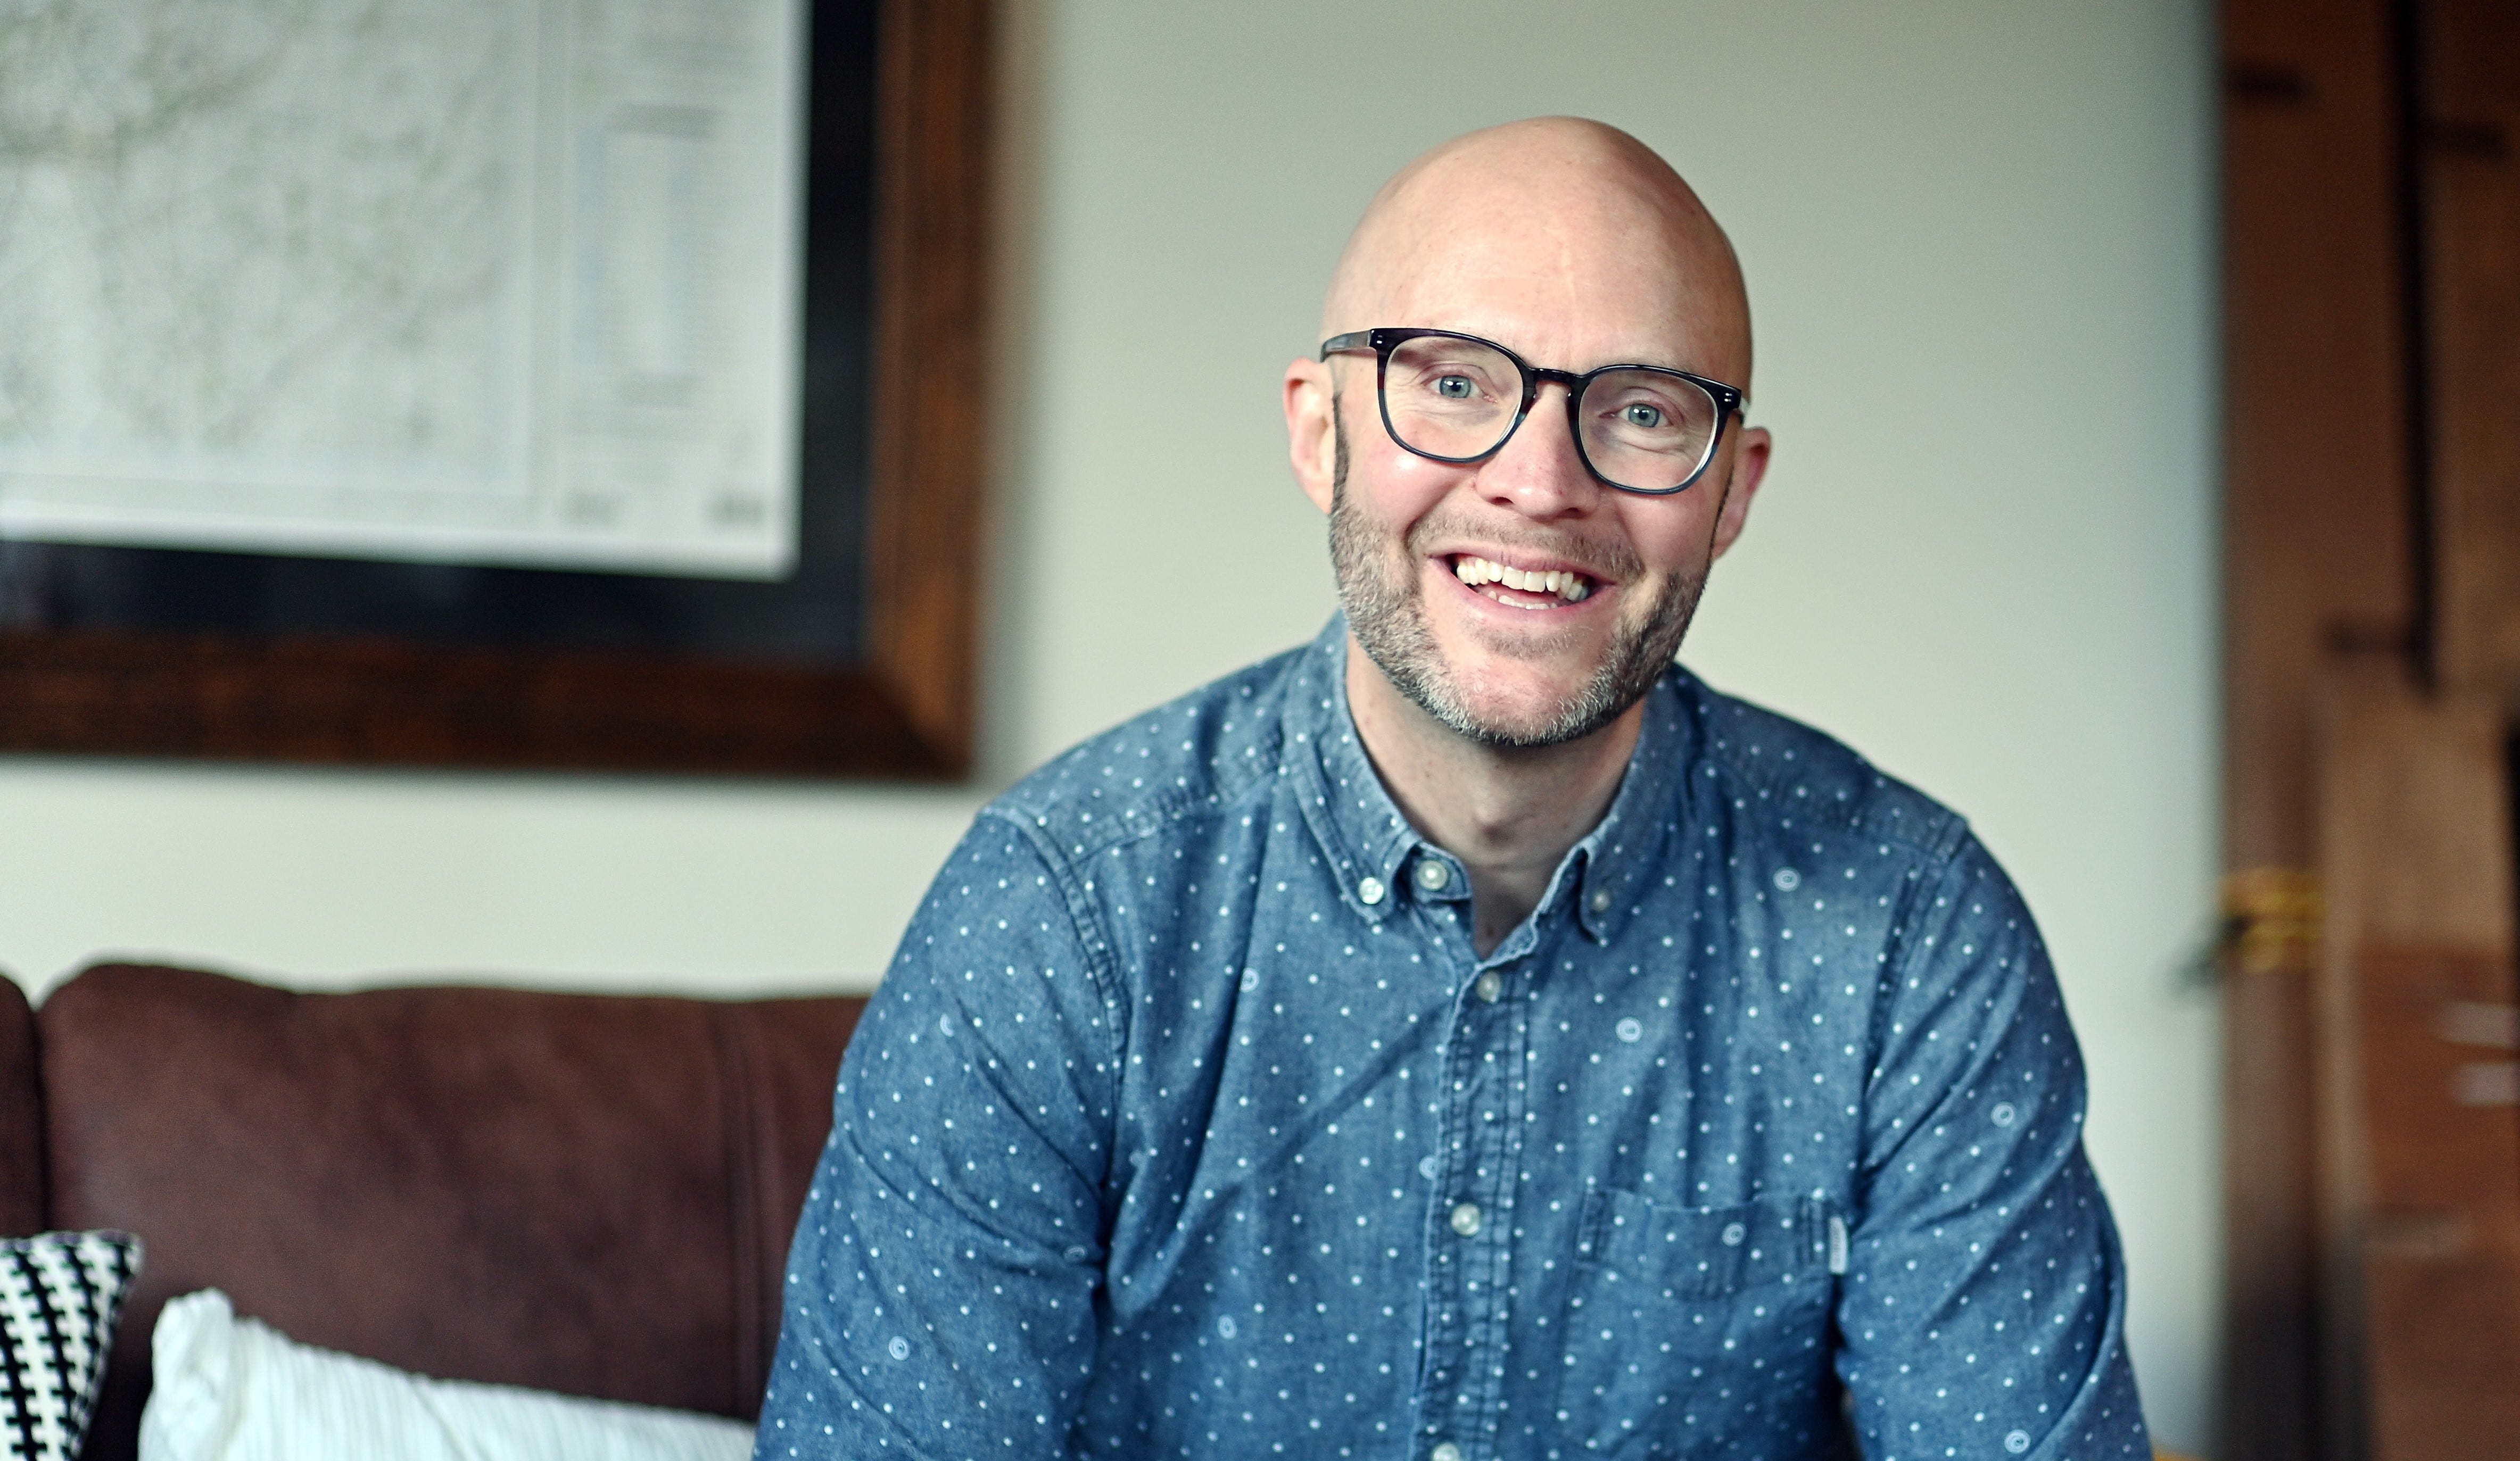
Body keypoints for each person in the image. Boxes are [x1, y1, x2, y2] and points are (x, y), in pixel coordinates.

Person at [755, 117, 2150, 1461]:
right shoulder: (1059, 915)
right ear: (1321, 433)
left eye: (1643, 410)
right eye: (1456, 384)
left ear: (1732, 492)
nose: (1540, 483)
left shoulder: (1908, 940)